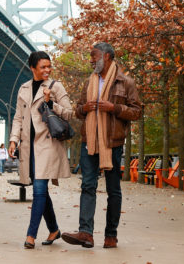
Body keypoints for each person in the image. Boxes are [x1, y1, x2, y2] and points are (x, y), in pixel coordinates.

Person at [62, 42, 141, 249]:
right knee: (88, 185)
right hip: (89, 142)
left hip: (112, 143)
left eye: (94, 56)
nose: (91, 60)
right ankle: (86, 233)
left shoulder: (126, 82)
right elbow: (78, 110)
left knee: (113, 190)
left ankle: (111, 235)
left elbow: (137, 112)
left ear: (106, 57)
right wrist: (84, 108)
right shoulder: (89, 83)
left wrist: (114, 107)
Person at [8, 50, 72, 249]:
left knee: (38, 190)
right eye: (43, 67)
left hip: (47, 145)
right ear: (33, 68)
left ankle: (30, 236)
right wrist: (13, 141)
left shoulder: (55, 86)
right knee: (41, 190)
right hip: (28, 147)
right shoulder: (24, 88)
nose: (47, 70)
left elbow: (69, 113)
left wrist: (50, 102)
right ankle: (53, 229)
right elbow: (18, 117)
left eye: (49, 66)